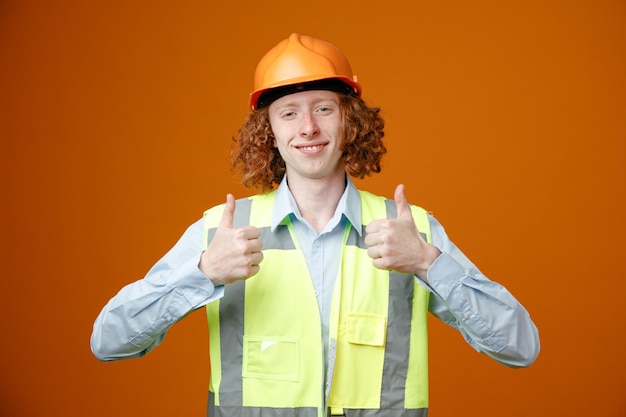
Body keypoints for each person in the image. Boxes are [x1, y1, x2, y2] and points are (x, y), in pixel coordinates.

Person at [91, 33, 540, 417]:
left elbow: (520, 347)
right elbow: (109, 341)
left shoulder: (408, 231)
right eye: (289, 112)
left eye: (324, 108)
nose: (308, 127)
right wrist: (202, 274)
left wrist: (427, 262)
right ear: (268, 132)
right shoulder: (222, 234)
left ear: (350, 123)